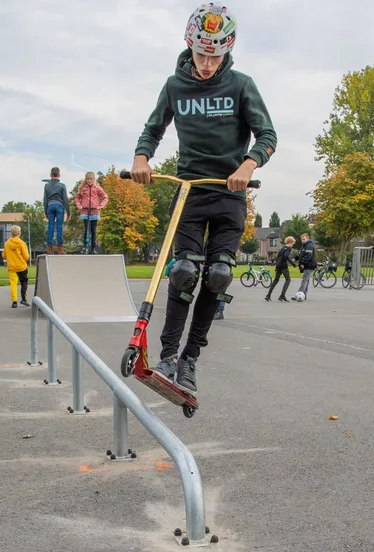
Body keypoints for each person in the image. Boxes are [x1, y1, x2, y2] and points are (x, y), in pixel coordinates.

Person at [129, 3, 277, 395]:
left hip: (229, 194)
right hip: (190, 193)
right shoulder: (174, 87)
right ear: (188, 45)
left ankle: (191, 358)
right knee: (182, 273)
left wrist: (248, 165)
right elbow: (152, 130)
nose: (208, 64)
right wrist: (142, 158)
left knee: (218, 275)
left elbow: (267, 136)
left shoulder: (242, 85)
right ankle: (167, 356)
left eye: (216, 55)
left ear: (228, 49)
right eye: (201, 54)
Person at [75, 171, 109, 254]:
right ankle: (85, 246)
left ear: (93, 179)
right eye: (87, 179)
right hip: (85, 211)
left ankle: (93, 247)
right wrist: (79, 205)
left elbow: (105, 197)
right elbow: (77, 197)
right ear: (85, 179)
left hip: (94, 211)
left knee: (93, 230)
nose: (89, 180)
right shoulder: (83, 188)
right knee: (86, 229)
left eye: (91, 179)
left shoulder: (97, 188)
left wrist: (101, 205)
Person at [43, 167, 70, 254]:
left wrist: (45, 212)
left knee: (50, 227)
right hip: (59, 206)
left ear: (50, 175)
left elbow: (45, 200)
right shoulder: (62, 186)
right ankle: (60, 248)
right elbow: (65, 199)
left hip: (50, 206)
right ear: (59, 175)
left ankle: (50, 248)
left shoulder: (47, 185)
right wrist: (68, 212)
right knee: (59, 227)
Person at [3, 225, 30, 308]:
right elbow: (26, 257)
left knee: (13, 284)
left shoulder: (7, 243)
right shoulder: (22, 243)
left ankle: (14, 302)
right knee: (24, 282)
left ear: (11, 233)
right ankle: (24, 299)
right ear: (19, 233)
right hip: (21, 266)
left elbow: (4, 256)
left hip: (11, 267)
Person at [265, 236, 296, 302]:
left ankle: (268, 295)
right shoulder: (288, 248)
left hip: (278, 265)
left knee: (276, 280)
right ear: (290, 242)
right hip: (283, 266)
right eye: (293, 243)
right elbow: (286, 256)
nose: (293, 245)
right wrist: (293, 263)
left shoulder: (282, 248)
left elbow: (279, 257)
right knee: (288, 280)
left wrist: (276, 265)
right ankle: (282, 296)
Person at [292, 233, 316, 301]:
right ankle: (303, 295)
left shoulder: (309, 245)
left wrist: (302, 263)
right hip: (306, 265)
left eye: (304, 239)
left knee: (304, 280)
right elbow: (300, 254)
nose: (302, 240)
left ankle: (299, 294)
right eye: (302, 239)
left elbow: (308, 255)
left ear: (307, 239)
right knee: (306, 280)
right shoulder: (304, 246)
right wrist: (295, 258)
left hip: (309, 265)